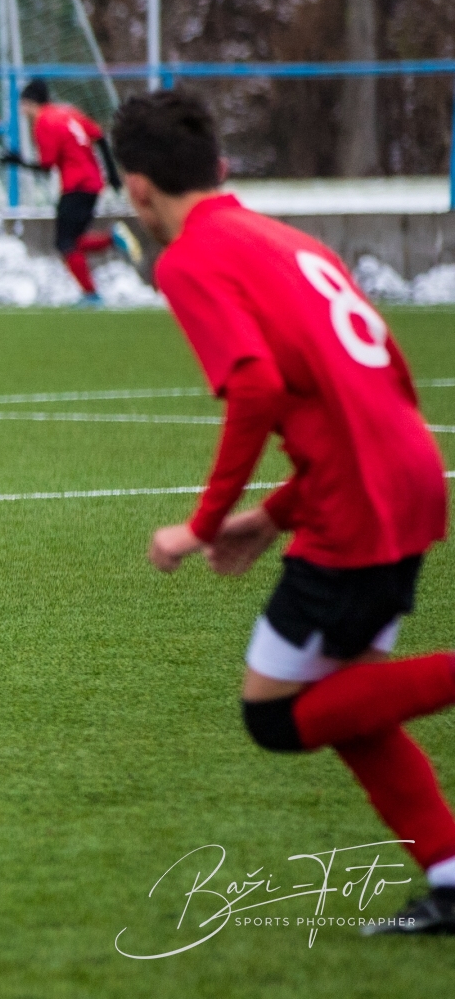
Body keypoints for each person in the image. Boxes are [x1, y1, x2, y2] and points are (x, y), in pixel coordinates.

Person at [120, 89, 454, 936]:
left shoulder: (189, 260)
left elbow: (257, 387)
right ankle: (451, 874)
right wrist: (271, 517)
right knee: (348, 704)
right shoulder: (290, 241)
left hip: (357, 505)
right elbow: (371, 387)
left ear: (137, 189)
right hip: (404, 473)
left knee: (275, 713)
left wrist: (201, 525)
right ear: (219, 165)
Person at [0, 79, 140, 306]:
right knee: (70, 242)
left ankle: (91, 294)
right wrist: (112, 173)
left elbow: (46, 167)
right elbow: (99, 136)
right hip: (92, 184)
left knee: (65, 243)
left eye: (23, 105)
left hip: (77, 186)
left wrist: (18, 162)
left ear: (30, 102)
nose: (22, 111)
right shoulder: (68, 112)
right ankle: (110, 242)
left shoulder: (44, 122)